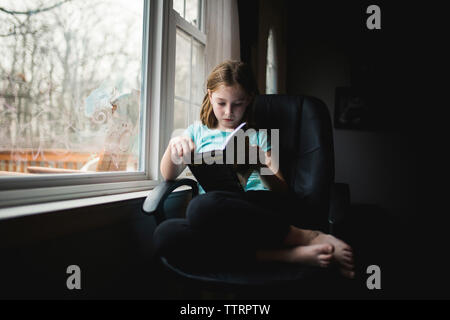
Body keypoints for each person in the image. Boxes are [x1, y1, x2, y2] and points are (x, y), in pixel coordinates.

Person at [154, 60, 355, 279]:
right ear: (210, 95)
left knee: (199, 208)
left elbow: (282, 191)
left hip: (260, 208)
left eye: (237, 104)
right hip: (221, 218)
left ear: (249, 99)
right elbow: (168, 174)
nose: (229, 112)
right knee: (165, 234)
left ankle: (308, 236)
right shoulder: (196, 132)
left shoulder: (260, 135)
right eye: (221, 103)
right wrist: (174, 147)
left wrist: (259, 165)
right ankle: (283, 255)